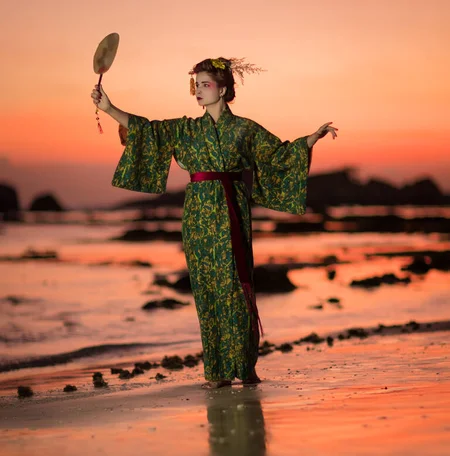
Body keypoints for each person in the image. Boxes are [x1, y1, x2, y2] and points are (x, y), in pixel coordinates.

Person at [91, 57, 338, 389]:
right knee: (207, 292)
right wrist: (109, 107)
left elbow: (277, 154)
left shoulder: (245, 129)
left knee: (238, 288)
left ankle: (246, 366)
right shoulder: (188, 129)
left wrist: (311, 139)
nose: (198, 92)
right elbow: (148, 131)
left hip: (233, 211)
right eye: (196, 85)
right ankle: (218, 372)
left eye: (205, 84)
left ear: (222, 89)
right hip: (198, 217)